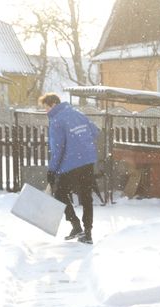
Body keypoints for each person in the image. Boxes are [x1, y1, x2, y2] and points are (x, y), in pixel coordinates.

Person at [39, 93, 99, 244]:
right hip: (88, 161)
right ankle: (88, 233)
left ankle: (76, 225)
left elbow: (57, 148)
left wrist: (52, 170)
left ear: (52, 104)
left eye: (45, 107)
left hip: (71, 163)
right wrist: (82, 144)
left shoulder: (56, 120)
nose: (46, 111)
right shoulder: (77, 113)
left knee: (60, 193)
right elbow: (95, 131)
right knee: (86, 197)